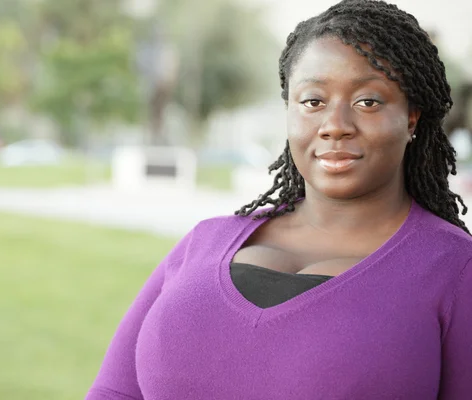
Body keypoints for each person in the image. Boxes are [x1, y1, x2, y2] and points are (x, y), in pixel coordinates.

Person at [87, 0, 472, 398]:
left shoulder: (455, 269)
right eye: (313, 101)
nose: (335, 126)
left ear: (411, 117)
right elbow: (115, 391)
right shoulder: (205, 242)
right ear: (289, 110)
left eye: (367, 102)